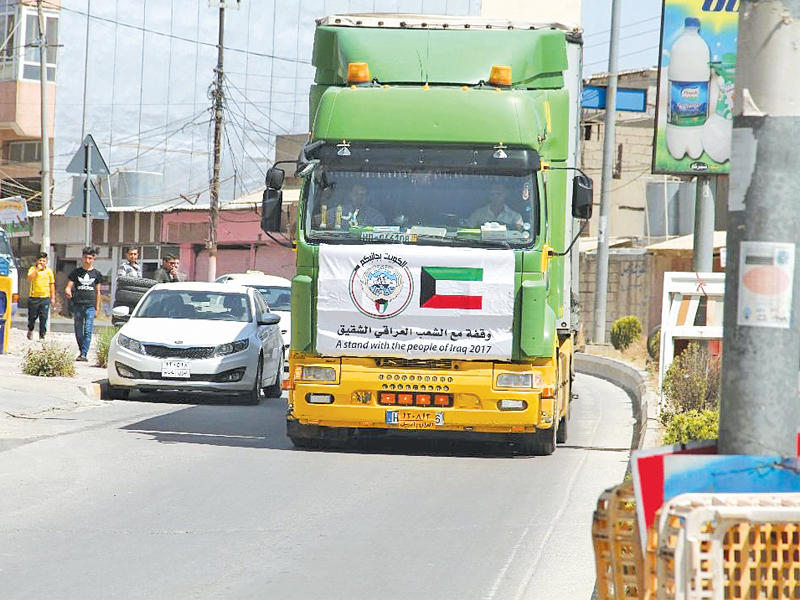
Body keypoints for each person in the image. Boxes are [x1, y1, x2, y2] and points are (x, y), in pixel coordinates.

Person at [65, 247, 105, 362]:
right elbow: (69, 286)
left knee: (88, 330)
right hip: (78, 305)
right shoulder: (76, 272)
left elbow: (98, 292)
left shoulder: (96, 274)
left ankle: (84, 354)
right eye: (85, 257)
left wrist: (97, 307)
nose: (87, 260)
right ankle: (81, 349)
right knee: (78, 330)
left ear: (93, 259)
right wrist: (68, 290)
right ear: (82, 258)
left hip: (90, 306)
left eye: (90, 258)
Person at [319, 184, 386, 228]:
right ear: (350, 195)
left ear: (367, 197)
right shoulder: (337, 211)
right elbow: (320, 220)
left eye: (362, 194)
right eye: (356, 194)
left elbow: (381, 230)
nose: (359, 197)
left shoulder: (376, 215)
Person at [26, 252, 55, 341]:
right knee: (32, 317)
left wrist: (53, 297)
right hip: (34, 297)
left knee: (43, 317)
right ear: (37, 261)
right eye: (40, 260)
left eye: (44, 261)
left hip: (45, 298)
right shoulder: (32, 269)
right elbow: (30, 279)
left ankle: (42, 336)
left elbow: (52, 285)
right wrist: (37, 270)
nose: (42, 262)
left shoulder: (49, 271)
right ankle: (30, 329)